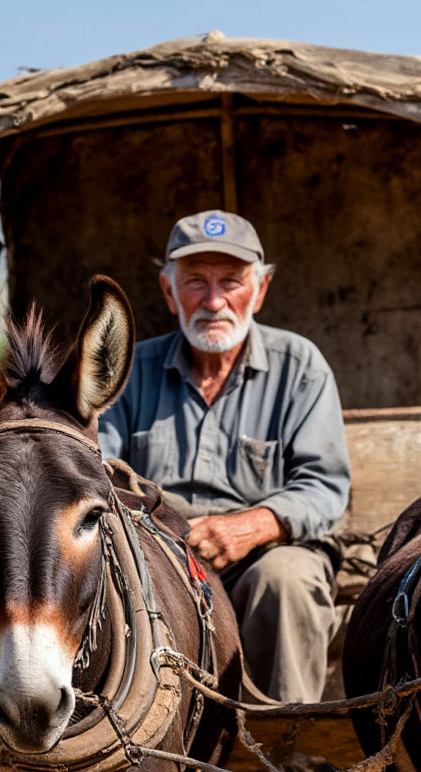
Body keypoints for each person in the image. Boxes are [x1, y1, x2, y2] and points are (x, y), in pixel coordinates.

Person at [98, 210, 351, 702]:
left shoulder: (299, 367)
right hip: (157, 556)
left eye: (231, 282)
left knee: (286, 581)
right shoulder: (129, 372)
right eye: (195, 282)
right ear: (169, 292)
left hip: (270, 553)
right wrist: (163, 535)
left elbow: (324, 487)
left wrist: (253, 526)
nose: (214, 301)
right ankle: (138, 750)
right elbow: (95, 476)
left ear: (259, 290)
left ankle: (287, 749)